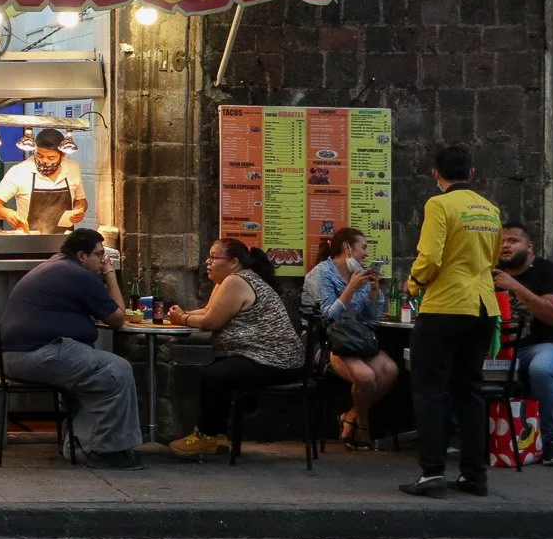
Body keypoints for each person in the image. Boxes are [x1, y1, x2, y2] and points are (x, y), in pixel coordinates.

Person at [399, 145, 503, 498]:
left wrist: (414, 282)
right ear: (472, 173)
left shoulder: (439, 204)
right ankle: (475, 475)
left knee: (430, 390)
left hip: (446, 306)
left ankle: (432, 473)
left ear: (435, 174)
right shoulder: (490, 209)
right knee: (470, 391)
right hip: (484, 307)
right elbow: (492, 256)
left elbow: (430, 256)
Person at [0, 228, 145, 469]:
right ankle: (106, 450)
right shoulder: (80, 275)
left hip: (16, 355)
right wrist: (110, 274)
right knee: (117, 371)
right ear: (81, 255)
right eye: (99, 255)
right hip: (37, 354)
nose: (102, 261)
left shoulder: (56, 266)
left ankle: (80, 445)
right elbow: (118, 318)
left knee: (96, 376)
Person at [165, 239, 303, 459]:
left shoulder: (237, 281)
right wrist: (179, 317)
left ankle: (206, 435)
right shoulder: (226, 282)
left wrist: (181, 318)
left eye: (213, 257)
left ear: (234, 262)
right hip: (255, 356)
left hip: (276, 360)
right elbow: (209, 310)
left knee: (215, 375)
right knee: (218, 371)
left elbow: (212, 321)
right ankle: (217, 436)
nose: (207, 262)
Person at [302, 227, 400, 450]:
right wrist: (350, 289)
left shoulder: (360, 273)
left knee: (390, 370)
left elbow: (371, 318)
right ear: (347, 248)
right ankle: (363, 425)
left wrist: (374, 292)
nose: (366, 254)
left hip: (357, 339)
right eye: (363, 248)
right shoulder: (321, 273)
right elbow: (326, 317)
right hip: (328, 341)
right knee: (366, 377)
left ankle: (352, 415)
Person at [495, 221, 553, 468]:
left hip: (548, 345)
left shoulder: (549, 271)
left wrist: (514, 286)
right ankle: (468, 435)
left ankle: (551, 441)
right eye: (501, 241)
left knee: (541, 368)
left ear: (529, 246)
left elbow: (552, 314)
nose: (505, 245)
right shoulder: (489, 273)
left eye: (512, 241)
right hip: (502, 347)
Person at [0, 128, 88, 233]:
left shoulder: (72, 168)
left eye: (51, 158)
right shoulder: (19, 171)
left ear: (63, 155)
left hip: (65, 243)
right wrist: (8, 213)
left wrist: (79, 210)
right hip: (29, 243)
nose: (44, 161)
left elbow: (81, 200)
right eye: (39, 156)